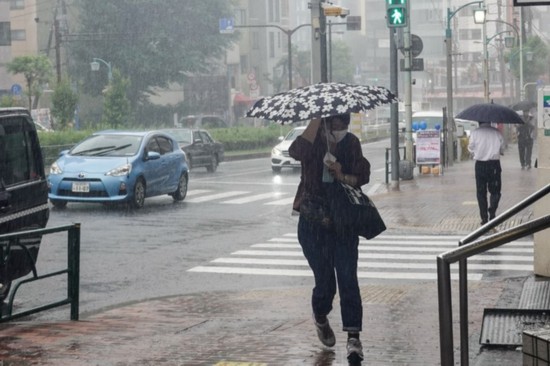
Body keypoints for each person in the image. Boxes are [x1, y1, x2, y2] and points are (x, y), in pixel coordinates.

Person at [288, 114, 371, 363]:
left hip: (343, 222)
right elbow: (296, 151)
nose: (342, 128)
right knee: (325, 283)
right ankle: (321, 314)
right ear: (326, 122)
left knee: (347, 278)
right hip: (313, 223)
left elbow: (362, 176)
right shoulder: (311, 142)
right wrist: (314, 122)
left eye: (345, 123)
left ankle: (354, 337)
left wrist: (341, 174)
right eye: (337, 124)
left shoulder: (351, 143)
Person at [468, 122, 505, 225]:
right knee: (495, 191)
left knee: (481, 192)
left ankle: (484, 218)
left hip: (480, 165)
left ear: (479, 122)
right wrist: (500, 151)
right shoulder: (496, 132)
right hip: (494, 165)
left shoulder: (475, 133)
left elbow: (470, 147)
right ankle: (492, 212)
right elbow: (502, 147)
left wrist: (474, 152)